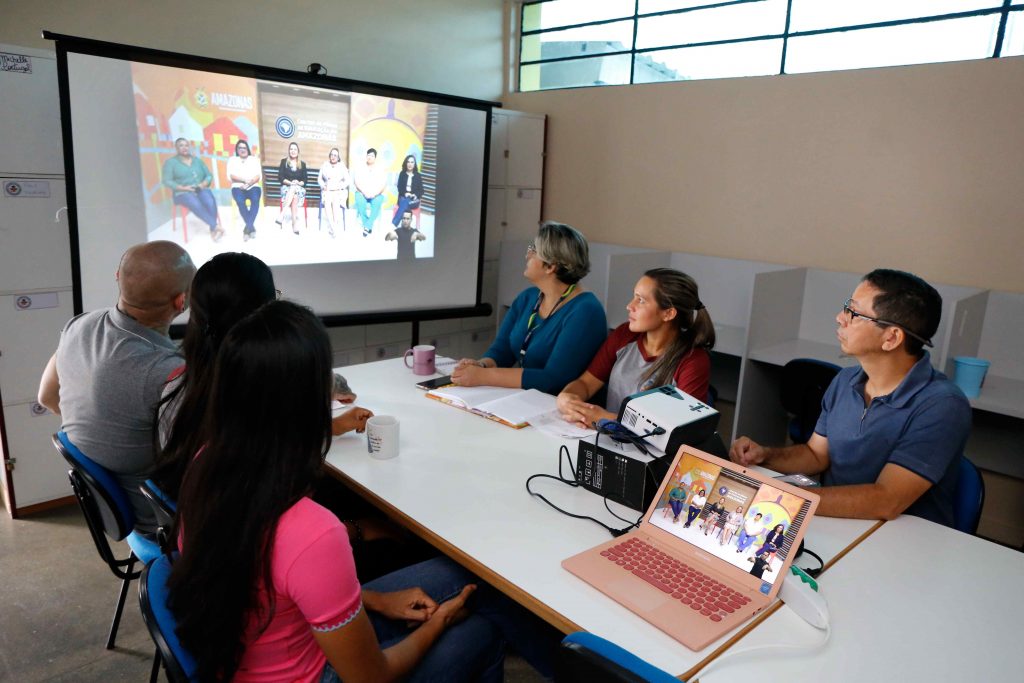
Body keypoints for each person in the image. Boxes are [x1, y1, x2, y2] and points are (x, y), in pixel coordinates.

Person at [168, 300, 552, 682]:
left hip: (248, 654)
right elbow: (373, 678)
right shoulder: (310, 530)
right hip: (320, 672)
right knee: (479, 630)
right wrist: (440, 623)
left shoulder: (207, 464)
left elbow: (281, 585)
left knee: (465, 580)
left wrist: (376, 600)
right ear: (308, 402)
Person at [730, 269, 972, 527]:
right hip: (841, 522)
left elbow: (886, 500)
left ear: (891, 337)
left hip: (900, 541)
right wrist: (765, 455)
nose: (840, 318)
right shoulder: (846, 381)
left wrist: (787, 500)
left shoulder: (942, 406)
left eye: (854, 313)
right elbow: (816, 455)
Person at [152, 252, 366, 500]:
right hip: (248, 529)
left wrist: (329, 428)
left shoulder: (177, 387)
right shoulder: (255, 404)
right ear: (262, 318)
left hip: (197, 522)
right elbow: (272, 497)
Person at [37, 241, 196, 534]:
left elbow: (46, 396)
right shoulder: (166, 372)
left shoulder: (78, 326)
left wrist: (104, 429)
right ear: (180, 301)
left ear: (116, 277)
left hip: (116, 507)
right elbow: (200, 460)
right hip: (162, 521)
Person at [451, 222, 607, 395]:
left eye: (534, 250)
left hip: (563, 411)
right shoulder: (528, 297)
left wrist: (483, 376)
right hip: (527, 399)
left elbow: (554, 380)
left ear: (550, 266)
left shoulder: (586, 311)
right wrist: (481, 365)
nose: (527, 255)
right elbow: (502, 351)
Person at [556, 268, 714, 428]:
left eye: (641, 300)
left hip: (650, 451)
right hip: (608, 440)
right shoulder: (624, 334)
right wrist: (568, 396)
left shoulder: (693, 360)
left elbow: (682, 430)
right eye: (634, 297)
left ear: (668, 314)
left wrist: (605, 419)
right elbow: (586, 383)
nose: (629, 306)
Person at [162, 137, 223, 241]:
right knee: (195, 203)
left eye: (186, 145)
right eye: (181, 145)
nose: (184, 148)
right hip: (182, 193)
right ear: (176, 148)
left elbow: (208, 175)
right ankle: (215, 226)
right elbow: (166, 181)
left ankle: (213, 229)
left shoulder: (197, 161)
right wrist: (183, 187)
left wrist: (203, 184)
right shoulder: (170, 163)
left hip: (199, 189)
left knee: (209, 201)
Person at [226, 139, 262, 241]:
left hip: (253, 185)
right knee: (240, 201)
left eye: (244, 147)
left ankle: (247, 229)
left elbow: (258, 176)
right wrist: (244, 181)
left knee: (255, 199)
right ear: (237, 149)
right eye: (240, 148)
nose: (242, 150)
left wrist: (249, 183)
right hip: (238, 186)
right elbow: (231, 176)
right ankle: (251, 227)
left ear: (248, 149)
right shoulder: (232, 160)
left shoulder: (254, 160)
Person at [354, 147, 387, 237]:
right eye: (368, 155)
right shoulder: (360, 167)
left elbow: (383, 184)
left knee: (377, 202)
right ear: (366, 156)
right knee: (360, 201)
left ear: (375, 158)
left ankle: (367, 225)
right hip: (362, 192)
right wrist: (363, 192)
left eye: (372, 155)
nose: (370, 157)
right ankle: (368, 225)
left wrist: (375, 193)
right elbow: (356, 181)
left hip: (376, 194)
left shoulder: (380, 169)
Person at [318, 147, 351, 237]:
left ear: (338, 157)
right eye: (332, 155)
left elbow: (348, 180)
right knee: (328, 204)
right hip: (327, 190)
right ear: (329, 156)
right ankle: (334, 228)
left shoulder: (342, 166)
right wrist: (322, 185)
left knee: (336, 205)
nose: (333, 157)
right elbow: (319, 179)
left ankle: (332, 228)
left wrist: (341, 186)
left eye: (335, 155)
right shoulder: (325, 165)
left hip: (338, 191)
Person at [277, 142, 307, 234]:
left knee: (294, 191)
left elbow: (305, 180)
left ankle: (282, 213)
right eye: (291, 149)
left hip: (299, 189)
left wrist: (297, 183)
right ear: (289, 151)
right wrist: (291, 183)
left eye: (295, 149)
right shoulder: (284, 162)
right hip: (286, 187)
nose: (293, 151)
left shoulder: (302, 164)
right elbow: (280, 177)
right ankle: (294, 224)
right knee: (294, 196)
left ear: (298, 151)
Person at [392, 154, 424, 227]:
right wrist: (405, 194)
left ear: (414, 164)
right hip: (403, 197)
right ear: (406, 163)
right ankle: (402, 226)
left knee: (406, 202)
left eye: (412, 162)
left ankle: (394, 224)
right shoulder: (402, 174)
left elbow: (421, 190)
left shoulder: (418, 175)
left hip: (413, 200)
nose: (410, 164)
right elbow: (399, 187)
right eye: (408, 162)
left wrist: (415, 195)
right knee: (405, 201)